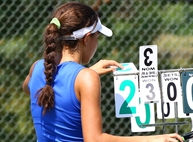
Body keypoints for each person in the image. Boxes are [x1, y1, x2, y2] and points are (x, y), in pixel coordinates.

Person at [22, 2, 184, 142]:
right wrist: (153, 139)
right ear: (86, 38)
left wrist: (80, 81)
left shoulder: (37, 68)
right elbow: (95, 139)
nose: (97, 42)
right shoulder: (86, 78)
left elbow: (35, 88)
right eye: (97, 37)